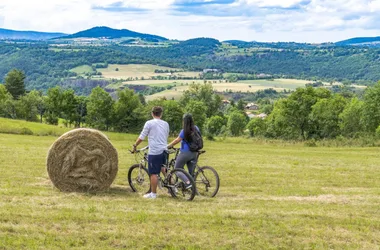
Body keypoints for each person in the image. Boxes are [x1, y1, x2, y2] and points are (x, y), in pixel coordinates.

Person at [133, 106, 169, 199]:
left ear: (152, 113)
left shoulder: (149, 123)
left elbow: (142, 137)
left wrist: (135, 145)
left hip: (155, 151)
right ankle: (173, 187)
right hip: (164, 149)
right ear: (161, 114)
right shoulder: (166, 124)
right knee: (163, 169)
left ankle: (153, 194)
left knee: (153, 173)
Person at [167, 113, 200, 188]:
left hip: (185, 153)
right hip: (194, 152)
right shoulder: (196, 128)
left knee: (177, 169)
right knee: (191, 173)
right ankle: (192, 189)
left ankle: (188, 183)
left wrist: (168, 146)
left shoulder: (184, 130)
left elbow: (177, 140)